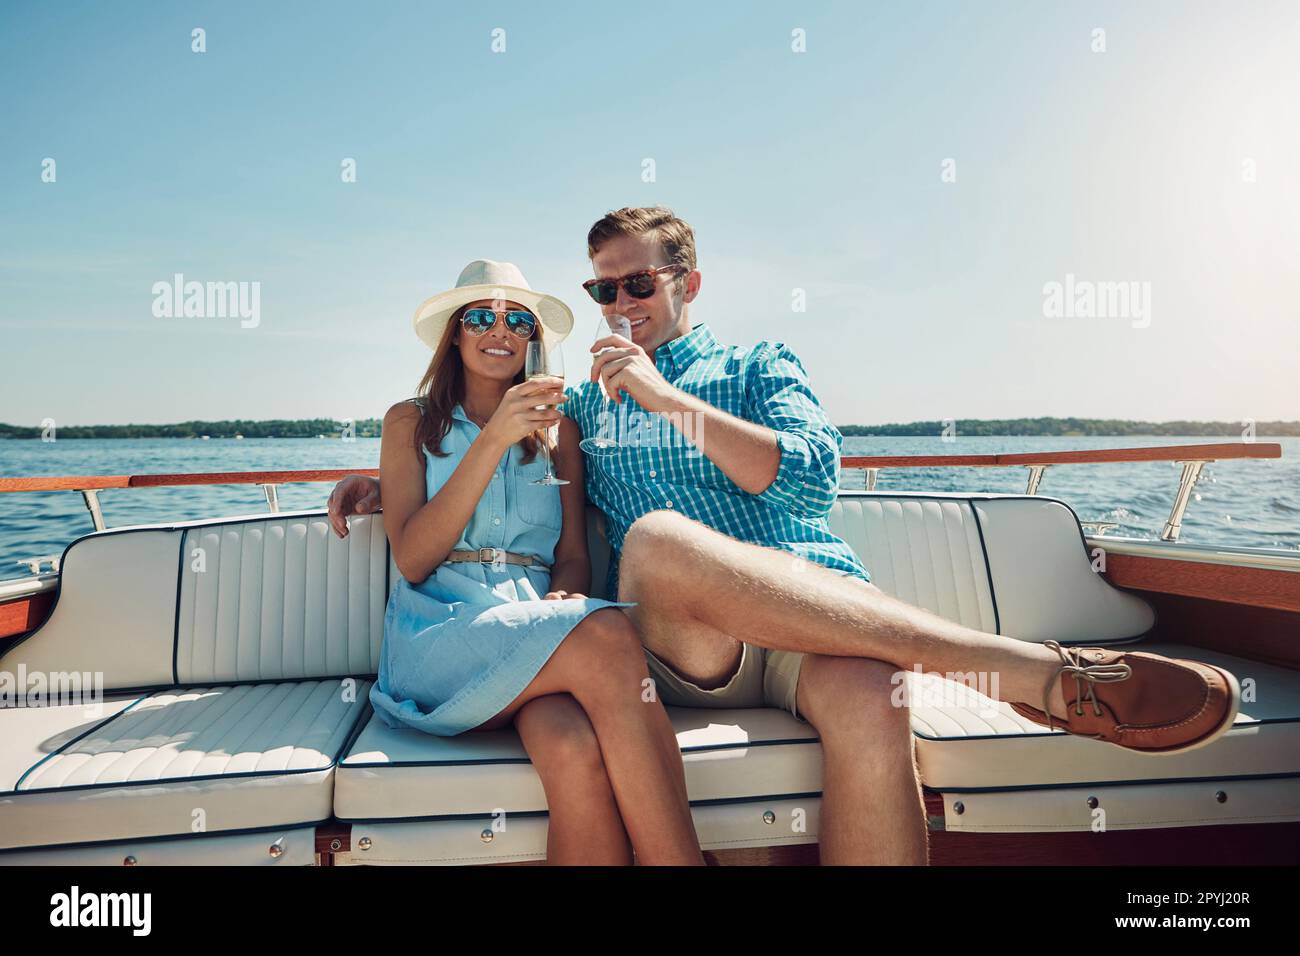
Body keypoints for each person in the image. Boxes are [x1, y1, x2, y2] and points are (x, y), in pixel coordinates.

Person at [332, 209, 1239, 865]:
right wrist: (390, 483)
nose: (620, 303)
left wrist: (666, 399)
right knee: (654, 538)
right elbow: (506, 487)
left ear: (687, 283)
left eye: (638, 283)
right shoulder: (581, 411)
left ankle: (990, 670)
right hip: (690, 646)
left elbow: (807, 477)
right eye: (604, 289)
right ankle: (1022, 670)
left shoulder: (756, 366)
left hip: (813, 619)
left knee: (875, 699)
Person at [367, 257, 701, 865]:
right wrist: (495, 436)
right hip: (440, 635)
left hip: (532, 638)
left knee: (573, 749)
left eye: (518, 319)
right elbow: (414, 560)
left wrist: (563, 600)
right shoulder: (408, 422)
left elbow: (573, 558)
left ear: (533, 339)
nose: (501, 330)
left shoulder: (562, 433)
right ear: (455, 333)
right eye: (480, 317)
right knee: (608, 632)